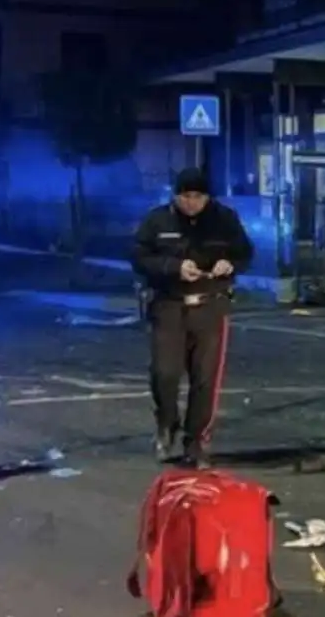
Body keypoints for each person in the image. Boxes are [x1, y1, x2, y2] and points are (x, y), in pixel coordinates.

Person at [131, 167, 253, 469]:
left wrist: (230, 263)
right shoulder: (157, 220)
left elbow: (245, 252)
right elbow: (138, 257)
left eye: (198, 197)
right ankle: (167, 423)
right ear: (176, 196)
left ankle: (196, 442)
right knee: (165, 373)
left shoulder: (224, 219)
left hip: (210, 306)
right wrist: (172, 267)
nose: (192, 203)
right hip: (169, 305)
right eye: (186, 196)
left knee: (205, 379)